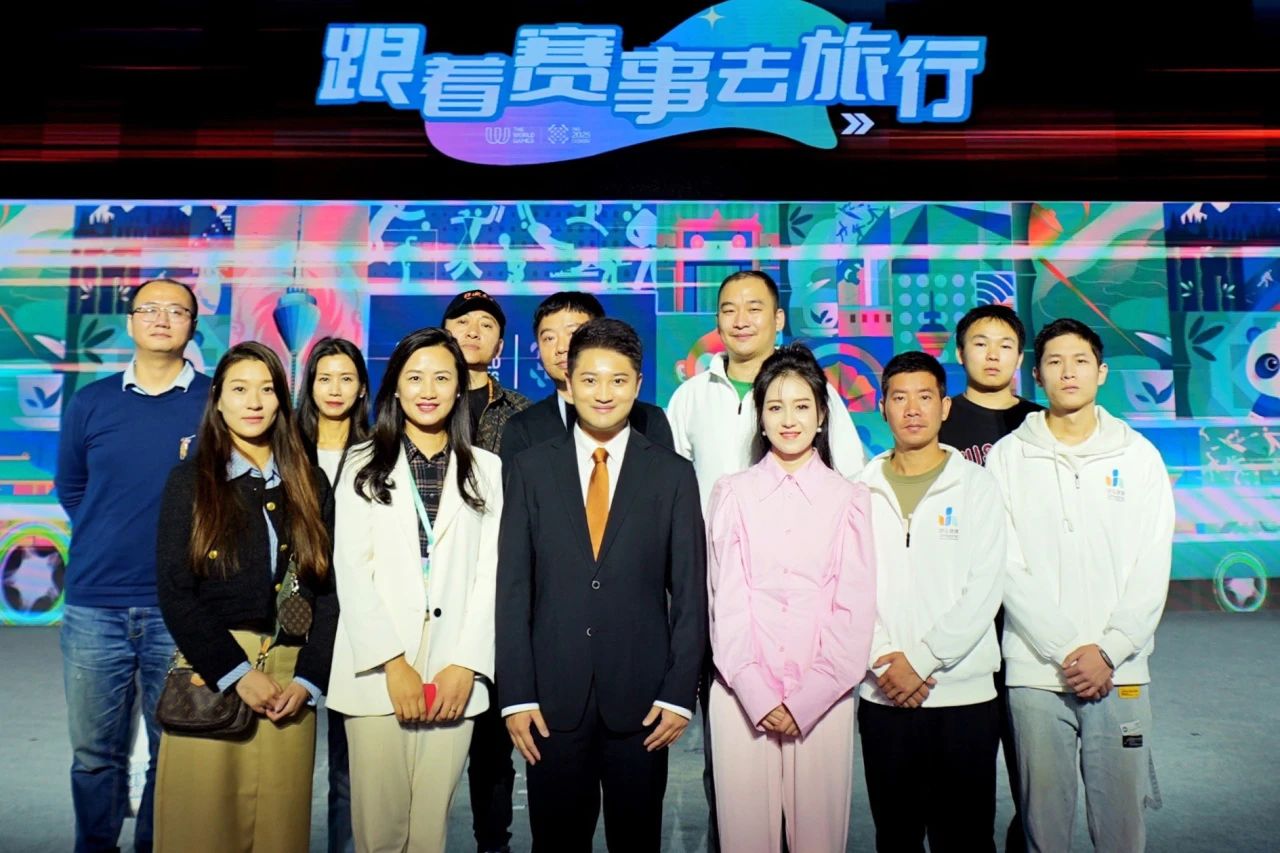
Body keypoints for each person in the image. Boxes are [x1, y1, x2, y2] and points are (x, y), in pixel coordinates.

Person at [664, 269, 865, 849]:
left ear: (778, 319)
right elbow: (672, 494)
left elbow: (849, 494)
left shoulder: (818, 407)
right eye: (729, 308)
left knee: (814, 817)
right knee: (732, 794)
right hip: (726, 620)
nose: (741, 318)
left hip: (814, 638)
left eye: (755, 307)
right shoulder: (692, 398)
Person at [497, 318, 706, 852]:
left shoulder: (672, 474)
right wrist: (516, 695)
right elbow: (512, 589)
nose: (603, 393)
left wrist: (679, 693)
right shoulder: (530, 469)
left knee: (637, 840)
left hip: (643, 702)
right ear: (568, 382)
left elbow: (690, 592)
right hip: (551, 701)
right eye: (590, 379)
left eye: (618, 379)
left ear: (638, 385)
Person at [986, 319, 1173, 853]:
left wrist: (1109, 650)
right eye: (1055, 362)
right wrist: (1067, 648)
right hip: (1036, 672)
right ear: (1037, 375)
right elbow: (1005, 564)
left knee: (1122, 829)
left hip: (1121, 671)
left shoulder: (1138, 456)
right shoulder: (1008, 457)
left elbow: (1152, 564)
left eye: (1081, 361)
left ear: (1102, 372)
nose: (1068, 372)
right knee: (1042, 828)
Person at [153, 341, 337, 852]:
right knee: (199, 832)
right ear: (217, 398)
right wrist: (236, 673)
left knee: (279, 832)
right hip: (212, 672)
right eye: (239, 389)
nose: (253, 401)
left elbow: (328, 593)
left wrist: (309, 679)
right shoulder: (190, 482)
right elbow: (175, 590)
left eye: (266, 389)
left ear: (282, 400)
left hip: (289, 683)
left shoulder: (310, 483)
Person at [326, 327, 503, 853]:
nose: (428, 390)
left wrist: (466, 664)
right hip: (377, 672)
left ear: (459, 388)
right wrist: (394, 665)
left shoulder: (488, 469)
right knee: (380, 833)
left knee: (429, 831)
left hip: (454, 674)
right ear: (396, 388)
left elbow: (492, 574)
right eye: (415, 377)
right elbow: (351, 571)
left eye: (442, 378)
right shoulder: (360, 462)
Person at [55, 277, 210, 853]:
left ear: (193, 325)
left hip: (180, 606)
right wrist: (110, 535)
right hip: (94, 606)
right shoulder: (91, 401)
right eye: (149, 309)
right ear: (130, 321)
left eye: (176, 311)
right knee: (94, 754)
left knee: (174, 750)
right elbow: (73, 487)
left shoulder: (216, 400)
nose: (162, 319)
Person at [705, 343, 876, 853]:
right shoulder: (731, 493)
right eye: (775, 407)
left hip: (823, 696)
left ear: (822, 415)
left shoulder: (850, 499)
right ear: (759, 418)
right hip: (741, 695)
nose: (788, 420)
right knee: (744, 840)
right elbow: (725, 602)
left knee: (818, 841)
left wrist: (807, 698)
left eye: (802, 406)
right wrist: (757, 692)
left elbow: (854, 610)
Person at [854, 350, 1006, 852]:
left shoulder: (978, 486)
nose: (913, 409)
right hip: (883, 694)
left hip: (963, 697)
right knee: (895, 837)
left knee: (965, 839)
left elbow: (985, 587)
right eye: (900, 398)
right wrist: (883, 658)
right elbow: (848, 588)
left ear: (945, 407)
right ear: (882, 407)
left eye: (925, 396)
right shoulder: (858, 490)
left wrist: (921, 661)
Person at [938, 303, 1043, 853]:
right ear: (960, 353)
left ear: (1021, 357)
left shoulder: (1041, 423)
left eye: (1005, 345)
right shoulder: (940, 418)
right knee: (963, 773)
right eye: (980, 343)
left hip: (1029, 618)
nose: (993, 355)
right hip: (961, 616)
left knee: (1035, 773)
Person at [295, 336, 371, 853]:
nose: (335, 389)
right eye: (325, 378)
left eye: (346, 378)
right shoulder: (285, 447)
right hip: (291, 611)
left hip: (355, 616)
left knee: (348, 766)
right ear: (310, 385)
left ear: (362, 388)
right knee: (285, 756)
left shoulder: (379, 451)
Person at [499, 291, 673, 472]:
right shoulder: (522, 427)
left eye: (573, 333)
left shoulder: (649, 419)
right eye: (549, 338)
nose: (561, 348)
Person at [441, 288, 531, 455]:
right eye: (463, 322)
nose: (473, 332)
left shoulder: (521, 411)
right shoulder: (422, 401)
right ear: (443, 335)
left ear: (499, 347)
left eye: (486, 325)